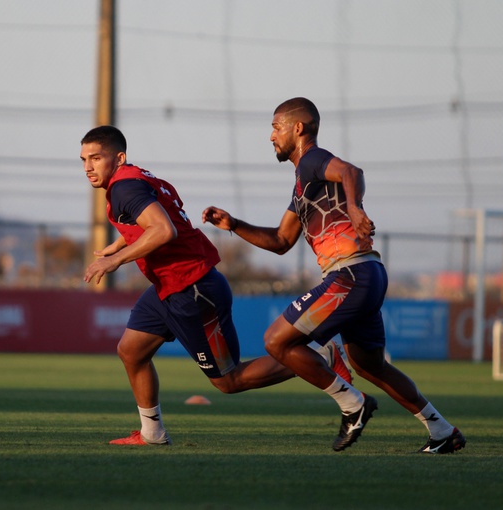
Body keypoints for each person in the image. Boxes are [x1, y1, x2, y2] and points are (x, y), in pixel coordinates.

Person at [202, 97, 467, 454]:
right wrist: (233, 224)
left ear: (298, 128)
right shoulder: (303, 182)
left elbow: (351, 172)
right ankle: (442, 430)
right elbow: (281, 240)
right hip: (369, 274)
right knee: (371, 365)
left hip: (351, 275)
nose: (271, 136)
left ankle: (352, 404)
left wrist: (355, 208)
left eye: (276, 127)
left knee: (276, 341)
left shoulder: (312, 159)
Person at [80, 125, 355, 446]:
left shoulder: (123, 187)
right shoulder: (135, 177)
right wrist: (120, 242)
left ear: (119, 157)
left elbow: (163, 230)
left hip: (193, 288)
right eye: (84, 159)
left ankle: (318, 354)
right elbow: (156, 219)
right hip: (170, 285)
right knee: (130, 351)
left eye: (96, 158)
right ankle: (151, 432)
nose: (88, 167)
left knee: (229, 381)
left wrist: (116, 260)